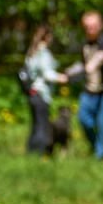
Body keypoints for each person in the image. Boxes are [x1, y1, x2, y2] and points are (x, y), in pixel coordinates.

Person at [62, 10, 103, 160]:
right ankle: (95, 146)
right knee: (83, 118)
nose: (90, 30)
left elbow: (98, 59)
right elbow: (82, 63)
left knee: (102, 122)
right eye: (87, 27)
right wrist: (67, 73)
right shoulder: (85, 44)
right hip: (89, 90)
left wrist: (86, 69)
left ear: (101, 25)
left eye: (93, 26)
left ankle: (102, 155)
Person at [22, 25, 69, 155]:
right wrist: (62, 78)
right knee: (43, 126)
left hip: (32, 93)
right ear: (47, 37)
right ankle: (41, 153)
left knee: (35, 125)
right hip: (41, 93)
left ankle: (31, 152)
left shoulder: (32, 51)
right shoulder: (43, 52)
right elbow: (47, 74)